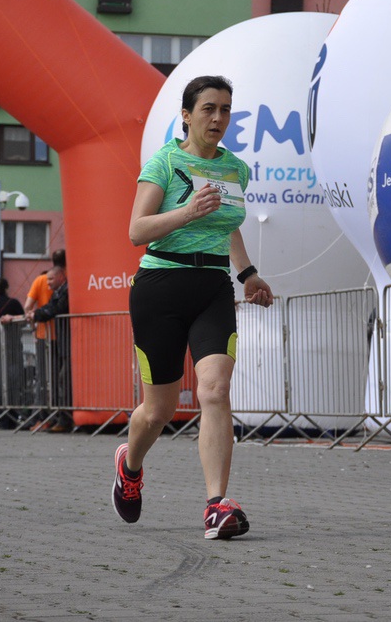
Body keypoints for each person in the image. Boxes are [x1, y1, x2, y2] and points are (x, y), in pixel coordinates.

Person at [112, 75, 273, 540]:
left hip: (212, 288)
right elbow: (137, 230)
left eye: (225, 109)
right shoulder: (164, 162)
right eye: (208, 109)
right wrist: (187, 212)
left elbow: (227, 224)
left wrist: (248, 273)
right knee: (158, 410)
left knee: (215, 390)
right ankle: (130, 465)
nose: (218, 118)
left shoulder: (235, 169)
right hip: (160, 286)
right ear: (186, 115)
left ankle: (216, 505)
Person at [29, 265, 71, 431]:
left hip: (67, 341)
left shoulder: (66, 291)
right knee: (59, 379)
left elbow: (56, 309)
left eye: (51, 279)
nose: (48, 283)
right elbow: (50, 307)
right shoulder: (58, 292)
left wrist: (36, 315)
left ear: (61, 276)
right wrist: (37, 313)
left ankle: (65, 419)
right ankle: (60, 418)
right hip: (61, 341)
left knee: (63, 379)